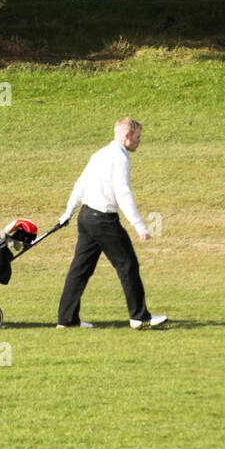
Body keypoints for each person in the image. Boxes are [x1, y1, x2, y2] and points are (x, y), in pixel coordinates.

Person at [56, 117, 167, 330]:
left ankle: (67, 319)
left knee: (80, 269)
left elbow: (80, 184)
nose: (139, 141)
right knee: (128, 265)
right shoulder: (120, 157)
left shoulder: (100, 154)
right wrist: (139, 225)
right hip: (104, 221)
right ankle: (140, 317)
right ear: (126, 137)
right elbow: (123, 192)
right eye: (137, 137)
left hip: (86, 217)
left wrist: (68, 212)